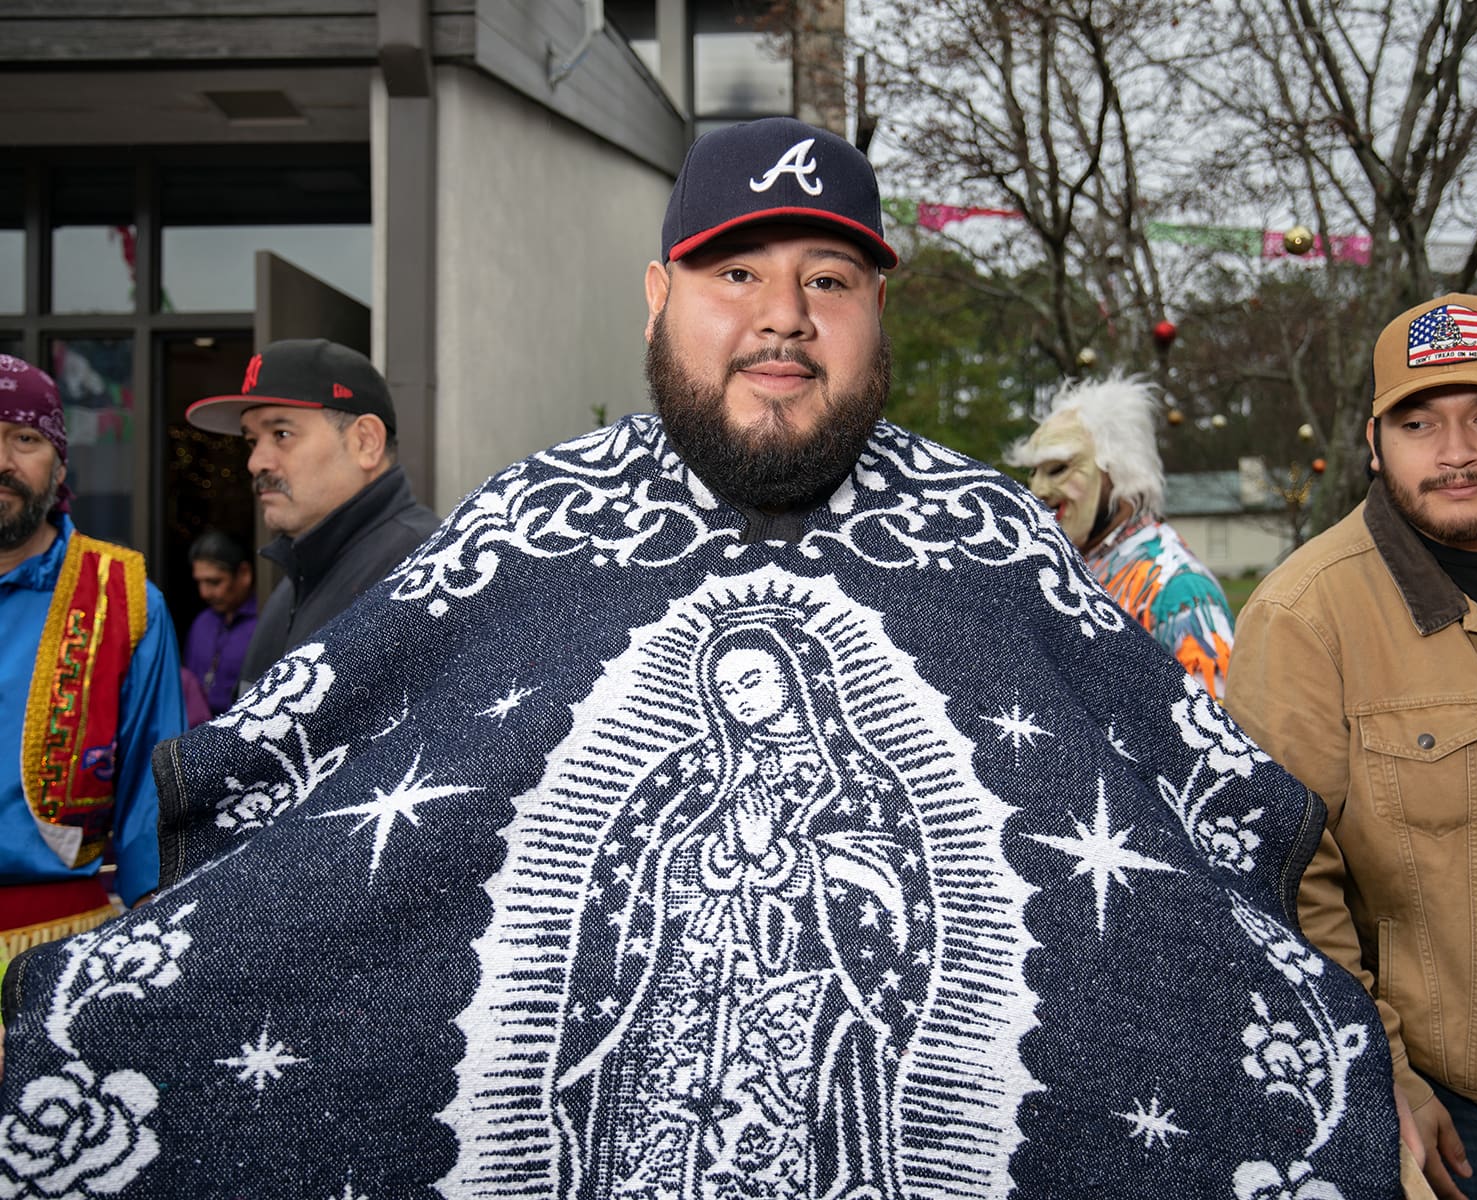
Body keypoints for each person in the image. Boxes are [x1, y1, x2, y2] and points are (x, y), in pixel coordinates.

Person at [0, 120, 1406, 1198]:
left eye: (828, 278)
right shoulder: (524, 534)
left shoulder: (995, 546)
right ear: (659, 298)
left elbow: (1198, 832)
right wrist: (86, 1026)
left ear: (874, 315)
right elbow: (302, 813)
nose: (782, 315)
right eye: (736, 272)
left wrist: (1346, 1058)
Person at [1227, 292, 1477, 1199]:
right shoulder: (1304, 615)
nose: (1459, 451)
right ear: (1374, 438)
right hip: (1469, 1110)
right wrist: (1380, 1075)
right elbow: (1279, 881)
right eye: (1419, 422)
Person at [0, 355, 184, 970]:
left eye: (24, 439)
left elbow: (153, 806)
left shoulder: (122, 600)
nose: (3, 461)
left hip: (57, 950)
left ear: (60, 462)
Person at [184, 339, 439, 694]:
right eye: (251, 440)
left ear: (366, 442)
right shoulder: (296, 581)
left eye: (281, 434)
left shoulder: (425, 571)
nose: (256, 462)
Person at [1010, 374, 1234, 698]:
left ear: (1120, 470)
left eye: (1058, 468)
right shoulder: (1068, 568)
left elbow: (1216, 735)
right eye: (1032, 473)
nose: (1038, 490)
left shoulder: (1178, 589)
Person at [183, 528, 257, 716]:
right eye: (199, 582)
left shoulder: (262, 624)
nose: (204, 593)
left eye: (214, 582)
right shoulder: (202, 623)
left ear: (244, 573)